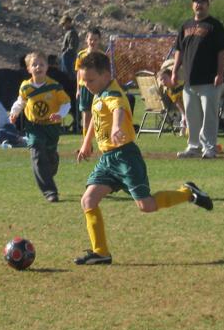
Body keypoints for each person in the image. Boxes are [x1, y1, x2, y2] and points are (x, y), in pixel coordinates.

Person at [73, 51, 214, 265]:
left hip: (126, 157)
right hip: (108, 159)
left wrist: (118, 127)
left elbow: (119, 109)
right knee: (88, 200)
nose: (86, 84)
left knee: (146, 206)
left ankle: (187, 193)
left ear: (104, 75)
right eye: (84, 80)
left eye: (90, 80)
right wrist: (86, 142)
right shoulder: (99, 92)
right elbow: (95, 115)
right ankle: (100, 252)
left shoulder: (113, 94)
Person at [170, 0, 224, 159]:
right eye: (196, 1)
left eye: (203, 1)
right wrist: (175, 71)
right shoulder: (186, 26)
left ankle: (210, 147)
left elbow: (222, 51)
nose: (199, 4)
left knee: (209, 115)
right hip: (189, 80)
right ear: (192, 5)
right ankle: (194, 146)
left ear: (208, 5)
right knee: (192, 116)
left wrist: (220, 73)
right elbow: (179, 51)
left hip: (209, 79)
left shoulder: (214, 25)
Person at [9, 51, 71, 202]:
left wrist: (60, 115)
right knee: (36, 152)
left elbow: (66, 103)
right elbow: (20, 102)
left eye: (41, 64)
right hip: (34, 126)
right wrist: (14, 112)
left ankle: (52, 161)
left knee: (50, 158)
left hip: (51, 127)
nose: (38, 67)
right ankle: (50, 192)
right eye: (34, 64)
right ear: (29, 69)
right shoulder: (25, 87)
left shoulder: (54, 86)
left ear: (47, 67)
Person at [74, 27, 104, 137]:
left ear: (99, 40)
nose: (93, 42)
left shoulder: (102, 56)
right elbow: (78, 73)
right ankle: (86, 144)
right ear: (86, 40)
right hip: (85, 88)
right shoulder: (81, 55)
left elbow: (104, 74)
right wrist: (78, 89)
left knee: (100, 115)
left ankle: (101, 140)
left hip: (98, 89)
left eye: (95, 40)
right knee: (86, 116)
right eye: (90, 39)